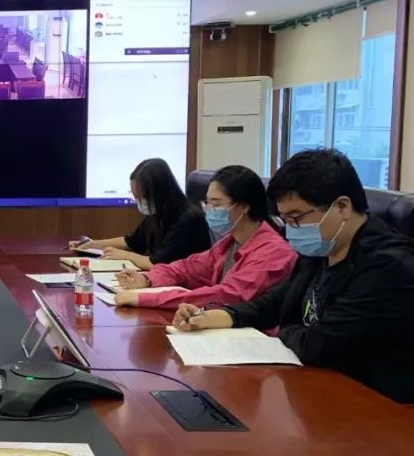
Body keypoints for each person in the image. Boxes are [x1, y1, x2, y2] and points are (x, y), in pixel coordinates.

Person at [173, 149, 414, 404]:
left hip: (379, 407)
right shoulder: (323, 249)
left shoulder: (389, 267)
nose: (290, 229)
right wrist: (214, 316)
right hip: (320, 390)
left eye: (296, 218)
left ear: (342, 207)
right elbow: (273, 303)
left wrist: (285, 330)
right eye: (285, 219)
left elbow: (319, 345)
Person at [113, 165, 296, 309]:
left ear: (244, 206)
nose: (208, 210)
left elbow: (224, 296)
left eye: (215, 204)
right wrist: (147, 279)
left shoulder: (273, 252)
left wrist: (146, 298)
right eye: (207, 203)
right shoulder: (230, 242)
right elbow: (185, 268)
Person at [70, 158, 210, 270]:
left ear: (158, 193)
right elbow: (131, 242)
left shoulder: (188, 219)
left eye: (141, 197)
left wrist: (125, 256)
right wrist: (92, 245)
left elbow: (157, 264)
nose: (138, 202)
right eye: (135, 196)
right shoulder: (158, 214)